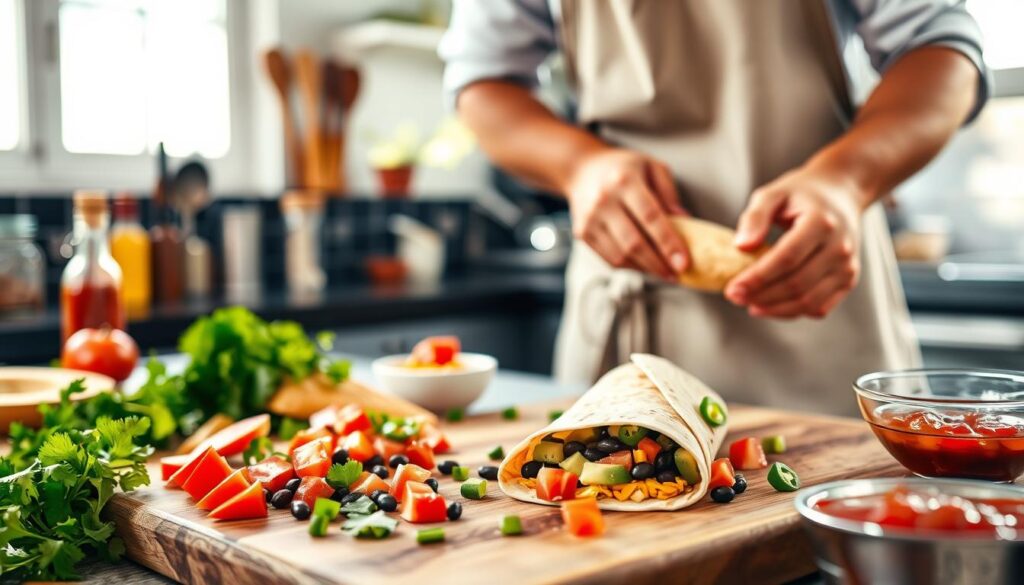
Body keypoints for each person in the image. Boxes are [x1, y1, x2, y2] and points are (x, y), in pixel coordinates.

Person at [440, 0, 989, 415]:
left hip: (821, 299)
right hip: (631, 300)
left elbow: (941, 47)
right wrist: (579, 167)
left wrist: (846, 180)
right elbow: (483, 81)